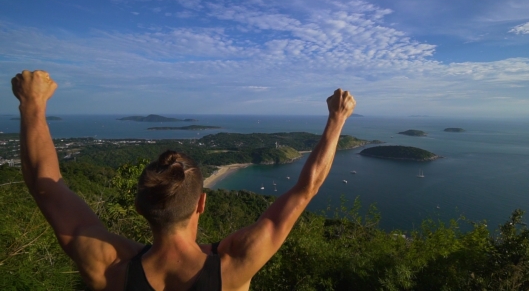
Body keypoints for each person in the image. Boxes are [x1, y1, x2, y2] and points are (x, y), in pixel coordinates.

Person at [11, 69, 356, 291]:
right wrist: (337, 119)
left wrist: (32, 104)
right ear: (201, 203)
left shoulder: (110, 267)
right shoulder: (235, 265)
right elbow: (306, 188)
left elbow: (46, 188)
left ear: (139, 207)